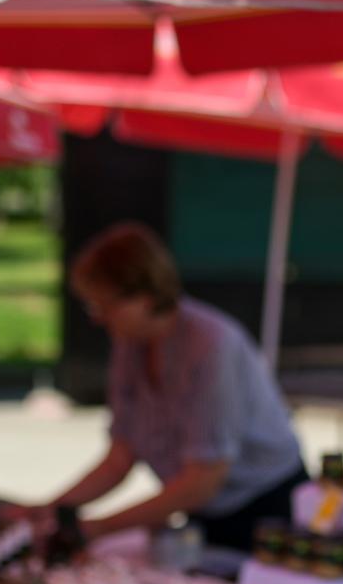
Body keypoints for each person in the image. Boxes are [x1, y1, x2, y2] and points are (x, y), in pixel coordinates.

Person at [41, 222, 306, 551]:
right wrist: (50, 511)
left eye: (104, 305)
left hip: (266, 511)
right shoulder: (131, 344)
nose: (97, 318)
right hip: (205, 512)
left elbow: (202, 482)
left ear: (146, 296)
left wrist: (99, 527)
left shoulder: (210, 346)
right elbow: (120, 457)